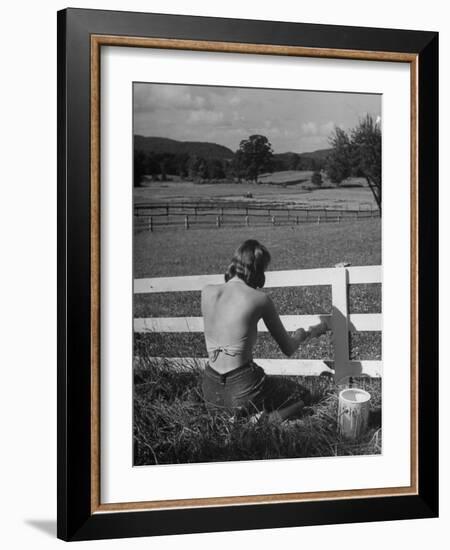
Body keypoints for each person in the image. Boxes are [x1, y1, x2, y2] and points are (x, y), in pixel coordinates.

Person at [201, 239, 329, 422]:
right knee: (302, 395)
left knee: (231, 401)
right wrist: (301, 335)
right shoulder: (260, 299)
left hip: (210, 389)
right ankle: (268, 420)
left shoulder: (207, 292)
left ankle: (238, 416)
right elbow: (288, 348)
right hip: (243, 386)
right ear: (257, 268)